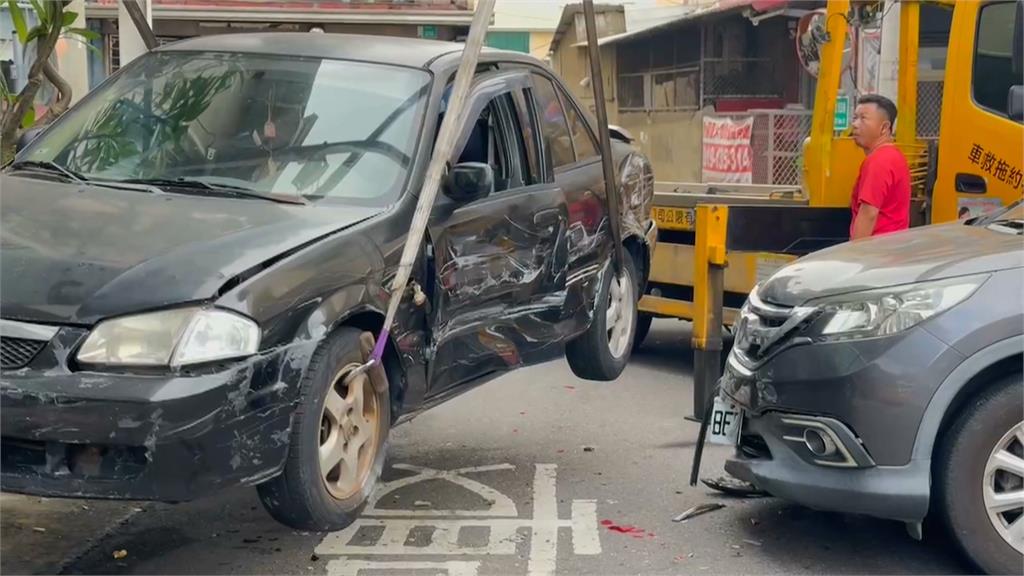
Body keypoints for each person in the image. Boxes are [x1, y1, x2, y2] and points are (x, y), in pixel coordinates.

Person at [848, 94, 911, 239]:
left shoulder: (879, 160)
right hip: (889, 249)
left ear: (884, 127)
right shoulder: (893, 156)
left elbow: (868, 214)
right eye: (855, 118)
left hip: (876, 252)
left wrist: (854, 255)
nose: (855, 124)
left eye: (863, 118)